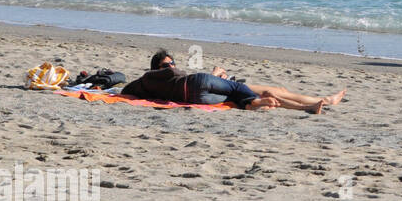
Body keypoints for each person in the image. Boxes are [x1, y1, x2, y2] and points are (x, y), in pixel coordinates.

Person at [122, 50, 345, 114]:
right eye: (166, 65)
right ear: (156, 68)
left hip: (198, 95)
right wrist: (216, 74)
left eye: (172, 63)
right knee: (266, 90)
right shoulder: (152, 77)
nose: (170, 67)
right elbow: (126, 89)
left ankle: (313, 105)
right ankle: (323, 100)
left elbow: (126, 90)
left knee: (267, 93)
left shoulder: (148, 84)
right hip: (202, 85)